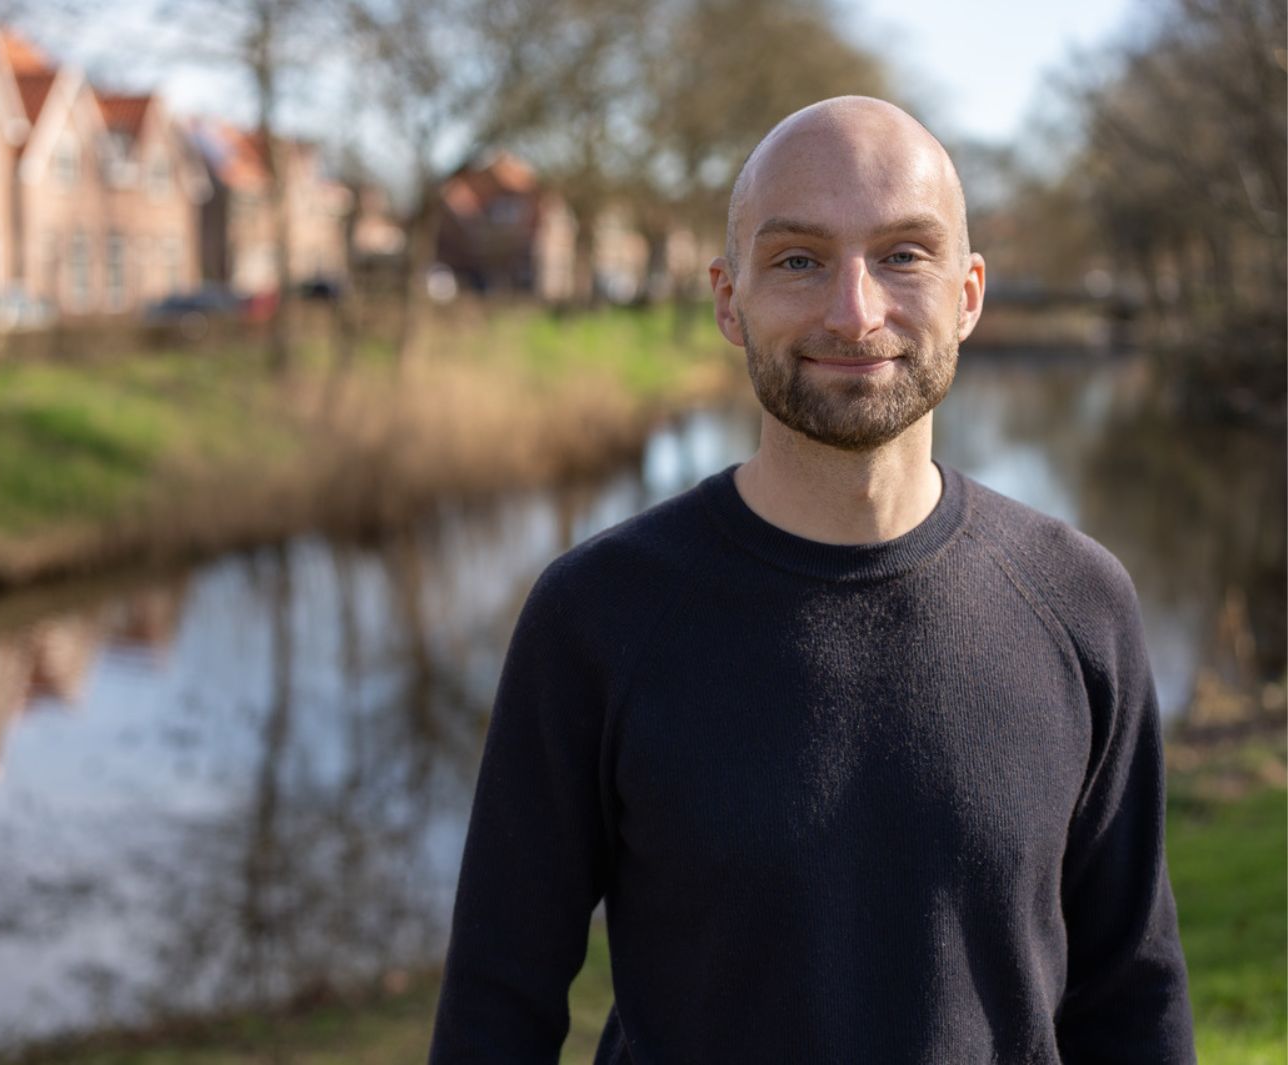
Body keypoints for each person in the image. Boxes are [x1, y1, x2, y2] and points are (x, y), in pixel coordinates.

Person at [427, 96, 1195, 1063]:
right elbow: (498, 1009)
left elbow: (1132, 999)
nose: (854, 311)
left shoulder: (1080, 603)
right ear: (725, 297)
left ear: (968, 292)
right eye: (798, 259)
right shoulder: (596, 616)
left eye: (903, 254)